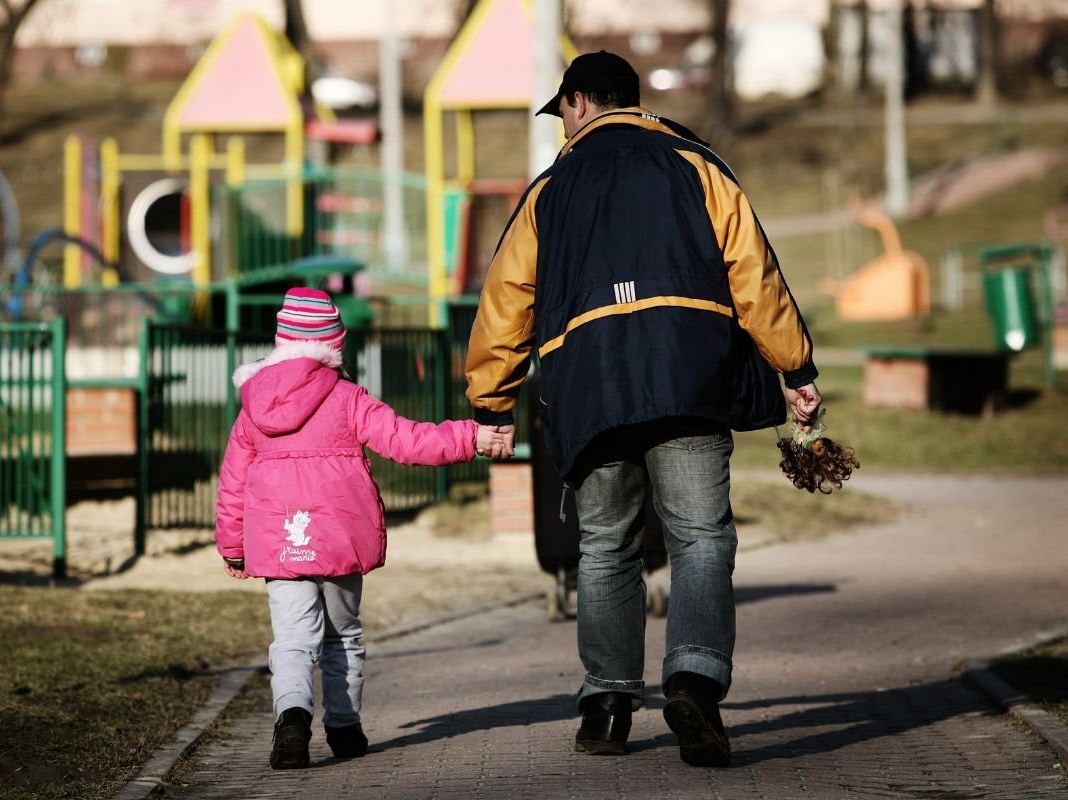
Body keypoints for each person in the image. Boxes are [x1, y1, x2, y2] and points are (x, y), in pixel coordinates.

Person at [464, 51, 822, 767]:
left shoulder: (552, 188)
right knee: (701, 537)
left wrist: (490, 401)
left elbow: (507, 300)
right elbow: (752, 270)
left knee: (606, 546)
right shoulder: (698, 164)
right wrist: (795, 365)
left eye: (562, 111)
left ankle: (605, 706)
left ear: (579, 103)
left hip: (588, 383)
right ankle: (693, 677)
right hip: (687, 373)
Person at [215, 287, 504, 769]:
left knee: (291, 639)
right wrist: (471, 436)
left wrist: (233, 546)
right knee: (342, 634)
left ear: (283, 341)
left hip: (280, 540)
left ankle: (291, 720)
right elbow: (407, 440)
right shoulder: (348, 399)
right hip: (340, 537)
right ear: (333, 346)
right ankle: (344, 728)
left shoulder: (253, 406)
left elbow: (232, 480)